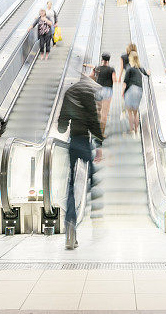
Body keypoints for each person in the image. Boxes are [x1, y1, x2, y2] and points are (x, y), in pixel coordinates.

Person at [58, 75, 105, 249]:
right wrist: (99, 143)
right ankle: (95, 212)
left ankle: (70, 224)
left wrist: (64, 126)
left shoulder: (70, 92)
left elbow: (62, 123)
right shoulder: (90, 92)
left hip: (73, 143)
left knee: (71, 184)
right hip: (85, 141)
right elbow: (94, 119)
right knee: (92, 176)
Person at [123, 52, 150, 136]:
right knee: (136, 112)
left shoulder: (129, 68)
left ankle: (131, 130)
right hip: (139, 90)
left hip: (131, 89)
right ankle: (136, 130)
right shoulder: (140, 68)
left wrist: (122, 93)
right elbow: (147, 74)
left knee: (130, 112)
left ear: (130, 59)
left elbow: (125, 82)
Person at [91, 53, 116, 132]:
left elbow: (91, 76)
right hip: (107, 90)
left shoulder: (97, 68)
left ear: (102, 59)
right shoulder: (111, 69)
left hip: (98, 89)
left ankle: (96, 129)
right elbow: (114, 80)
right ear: (108, 60)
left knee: (98, 110)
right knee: (104, 113)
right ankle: (102, 133)